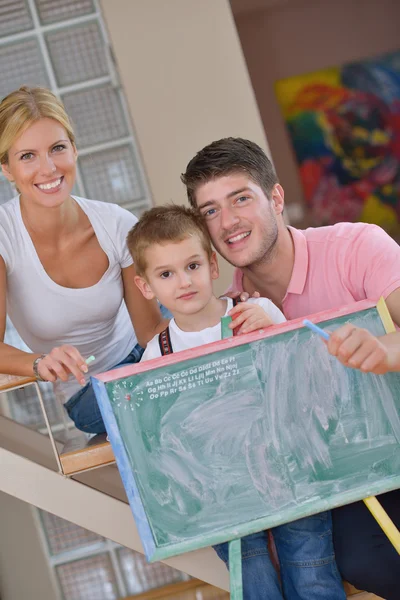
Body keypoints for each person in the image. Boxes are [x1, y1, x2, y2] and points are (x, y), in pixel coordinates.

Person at [181, 137, 400, 599]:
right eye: (210, 211)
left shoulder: (355, 248)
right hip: (337, 485)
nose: (228, 222)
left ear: (276, 198)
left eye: (241, 198)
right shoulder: (223, 319)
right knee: (360, 556)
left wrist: (385, 350)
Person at [127, 203, 347, 600]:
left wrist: (278, 329)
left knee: (311, 569)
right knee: (253, 579)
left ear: (213, 265)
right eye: (165, 274)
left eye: (192, 265)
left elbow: (308, 373)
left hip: (290, 469)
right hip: (220, 493)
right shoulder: (155, 357)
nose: (184, 282)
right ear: (146, 287)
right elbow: (157, 438)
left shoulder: (254, 311)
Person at [0, 86, 167, 434]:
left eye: (57, 148)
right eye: (27, 156)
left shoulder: (116, 224)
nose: (48, 168)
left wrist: (215, 321)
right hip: (90, 390)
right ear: (7, 169)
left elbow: (150, 332)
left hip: (146, 355)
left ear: (74, 150)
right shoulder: (5, 237)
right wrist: (39, 362)